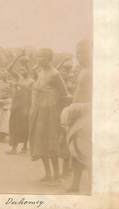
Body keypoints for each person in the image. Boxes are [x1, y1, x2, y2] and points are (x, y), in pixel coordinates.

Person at [29, 48, 68, 183]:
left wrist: (60, 115)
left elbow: (65, 94)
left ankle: (56, 175)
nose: (38, 60)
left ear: (49, 58)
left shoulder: (55, 74)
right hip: (39, 112)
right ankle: (48, 173)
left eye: (41, 57)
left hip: (51, 113)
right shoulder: (40, 72)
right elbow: (36, 82)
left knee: (51, 142)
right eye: (38, 57)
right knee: (39, 141)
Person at [61, 39, 92, 192]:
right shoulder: (83, 70)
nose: (79, 56)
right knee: (75, 150)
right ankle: (75, 185)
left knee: (86, 151)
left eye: (82, 53)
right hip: (76, 114)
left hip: (87, 115)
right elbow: (79, 92)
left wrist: (80, 107)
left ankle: (93, 186)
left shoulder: (95, 71)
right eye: (77, 53)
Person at [7, 53, 34, 154]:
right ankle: (14, 147)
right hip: (16, 105)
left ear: (28, 69)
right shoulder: (18, 78)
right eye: (20, 70)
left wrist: (30, 108)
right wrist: (16, 57)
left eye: (24, 69)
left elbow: (32, 96)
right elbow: (9, 69)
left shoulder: (31, 81)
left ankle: (25, 147)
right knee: (14, 125)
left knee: (25, 126)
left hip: (25, 106)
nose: (22, 71)